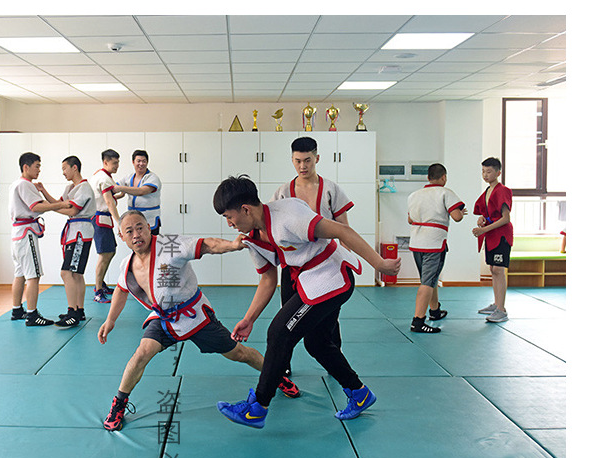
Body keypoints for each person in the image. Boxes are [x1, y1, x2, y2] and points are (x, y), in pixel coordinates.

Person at [212, 176, 400, 429]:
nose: (229, 223)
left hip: (332, 276)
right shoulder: (253, 238)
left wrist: (380, 264)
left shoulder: (289, 216)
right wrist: (249, 319)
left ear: (245, 209)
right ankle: (360, 393)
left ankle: (258, 407)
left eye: (229, 216)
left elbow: (342, 230)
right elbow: (268, 280)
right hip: (307, 279)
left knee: (279, 332)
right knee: (317, 344)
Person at [99, 210, 301, 432]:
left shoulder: (170, 246)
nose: (136, 234)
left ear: (149, 227)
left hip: (194, 316)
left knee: (239, 354)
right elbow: (121, 290)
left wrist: (232, 246)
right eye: (129, 231)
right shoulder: (127, 265)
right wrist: (110, 320)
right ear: (122, 236)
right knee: (141, 354)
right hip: (163, 319)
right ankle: (119, 403)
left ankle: (276, 377)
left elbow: (206, 245)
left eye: (140, 227)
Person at [272, 136, 354, 375]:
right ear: (292, 160)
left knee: (329, 315)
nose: (302, 166)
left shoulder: (331, 189)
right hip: (294, 266)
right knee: (287, 317)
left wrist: (347, 260)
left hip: (327, 265)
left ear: (317, 158)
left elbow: (344, 228)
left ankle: (334, 359)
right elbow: (273, 228)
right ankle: (283, 365)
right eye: (297, 161)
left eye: (307, 160)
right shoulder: (283, 192)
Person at [8, 152, 71, 326]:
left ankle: (17, 310)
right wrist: (61, 204)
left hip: (17, 234)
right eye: (37, 166)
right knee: (33, 275)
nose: (39, 170)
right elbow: (36, 207)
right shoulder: (25, 184)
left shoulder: (15, 184)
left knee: (20, 274)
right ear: (26, 167)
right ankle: (32, 314)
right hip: (26, 234)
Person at [35, 155, 96, 327]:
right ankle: (79, 310)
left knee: (66, 273)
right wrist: (43, 191)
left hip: (80, 233)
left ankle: (72, 312)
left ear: (74, 167)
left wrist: (51, 208)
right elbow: (58, 203)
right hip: (74, 232)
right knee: (76, 274)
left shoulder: (84, 188)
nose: (63, 172)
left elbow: (72, 211)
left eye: (64, 169)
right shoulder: (70, 187)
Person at [406, 163, 467, 333]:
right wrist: (461, 213)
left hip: (416, 243)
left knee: (429, 279)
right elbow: (457, 217)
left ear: (428, 177)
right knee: (427, 282)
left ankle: (435, 311)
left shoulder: (414, 195)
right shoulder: (445, 193)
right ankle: (418, 321)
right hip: (434, 243)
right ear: (444, 177)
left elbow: (410, 220)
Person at [472, 157, 513, 323]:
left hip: (501, 235)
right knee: (493, 269)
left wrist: (484, 229)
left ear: (498, 172)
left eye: (489, 171)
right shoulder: (488, 191)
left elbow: (505, 218)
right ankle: (497, 304)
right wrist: (482, 219)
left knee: (498, 269)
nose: (485, 175)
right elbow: (486, 212)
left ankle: (501, 310)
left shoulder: (503, 190)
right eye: (483, 171)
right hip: (491, 235)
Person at [89, 149, 122, 303]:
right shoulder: (104, 178)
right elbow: (108, 202)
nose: (117, 166)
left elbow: (107, 197)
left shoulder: (101, 176)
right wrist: (120, 222)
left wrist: (121, 193)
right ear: (105, 162)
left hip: (102, 219)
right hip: (100, 219)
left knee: (110, 251)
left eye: (118, 162)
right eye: (114, 163)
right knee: (104, 254)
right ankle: (98, 291)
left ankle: (101, 284)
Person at [114, 149, 162, 235]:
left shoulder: (152, 178)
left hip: (149, 220)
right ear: (133, 162)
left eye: (144, 161)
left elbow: (142, 191)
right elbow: (114, 187)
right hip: (132, 220)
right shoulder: (128, 177)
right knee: (134, 242)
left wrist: (121, 188)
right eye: (138, 161)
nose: (141, 164)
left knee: (150, 243)